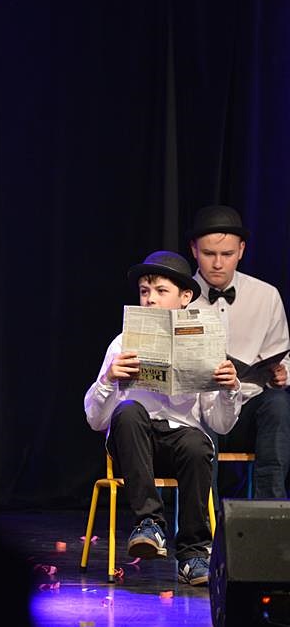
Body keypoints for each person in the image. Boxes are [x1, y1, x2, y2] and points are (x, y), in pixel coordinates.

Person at [83, 250, 242, 585]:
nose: (150, 299)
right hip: (133, 445)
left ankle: (193, 554)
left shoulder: (204, 345)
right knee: (129, 411)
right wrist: (108, 380)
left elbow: (221, 424)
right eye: (145, 291)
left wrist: (229, 389)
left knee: (198, 443)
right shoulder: (122, 344)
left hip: (180, 447)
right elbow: (95, 420)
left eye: (160, 291)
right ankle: (149, 525)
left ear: (184, 297)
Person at [186, 204, 290, 498]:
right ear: (194, 250)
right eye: (209, 254)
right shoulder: (179, 297)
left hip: (249, 410)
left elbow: (283, 356)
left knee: (278, 404)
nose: (218, 263)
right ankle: (206, 519)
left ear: (241, 250)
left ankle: (269, 513)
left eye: (227, 254)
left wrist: (283, 374)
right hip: (200, 412)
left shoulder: (265, 295)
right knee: (200, 411)